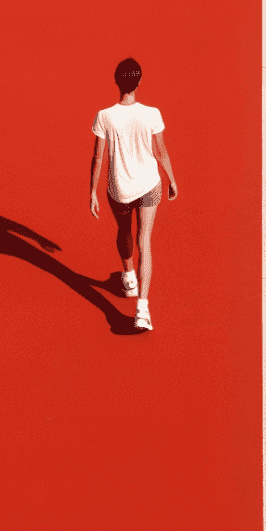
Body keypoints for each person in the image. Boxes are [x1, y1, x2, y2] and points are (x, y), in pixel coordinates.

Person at [89, 57, 177, 331]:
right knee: (145, 241)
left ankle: (128, 276)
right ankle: (142, 310)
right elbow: (160, 151)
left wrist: (92, 191)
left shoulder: (104, 116)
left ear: (117, 82)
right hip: (150, 184)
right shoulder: (152, 113)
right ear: (138, 82)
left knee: (124, 231)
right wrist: (172, 180)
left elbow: (97, 158)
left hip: (119, 189)